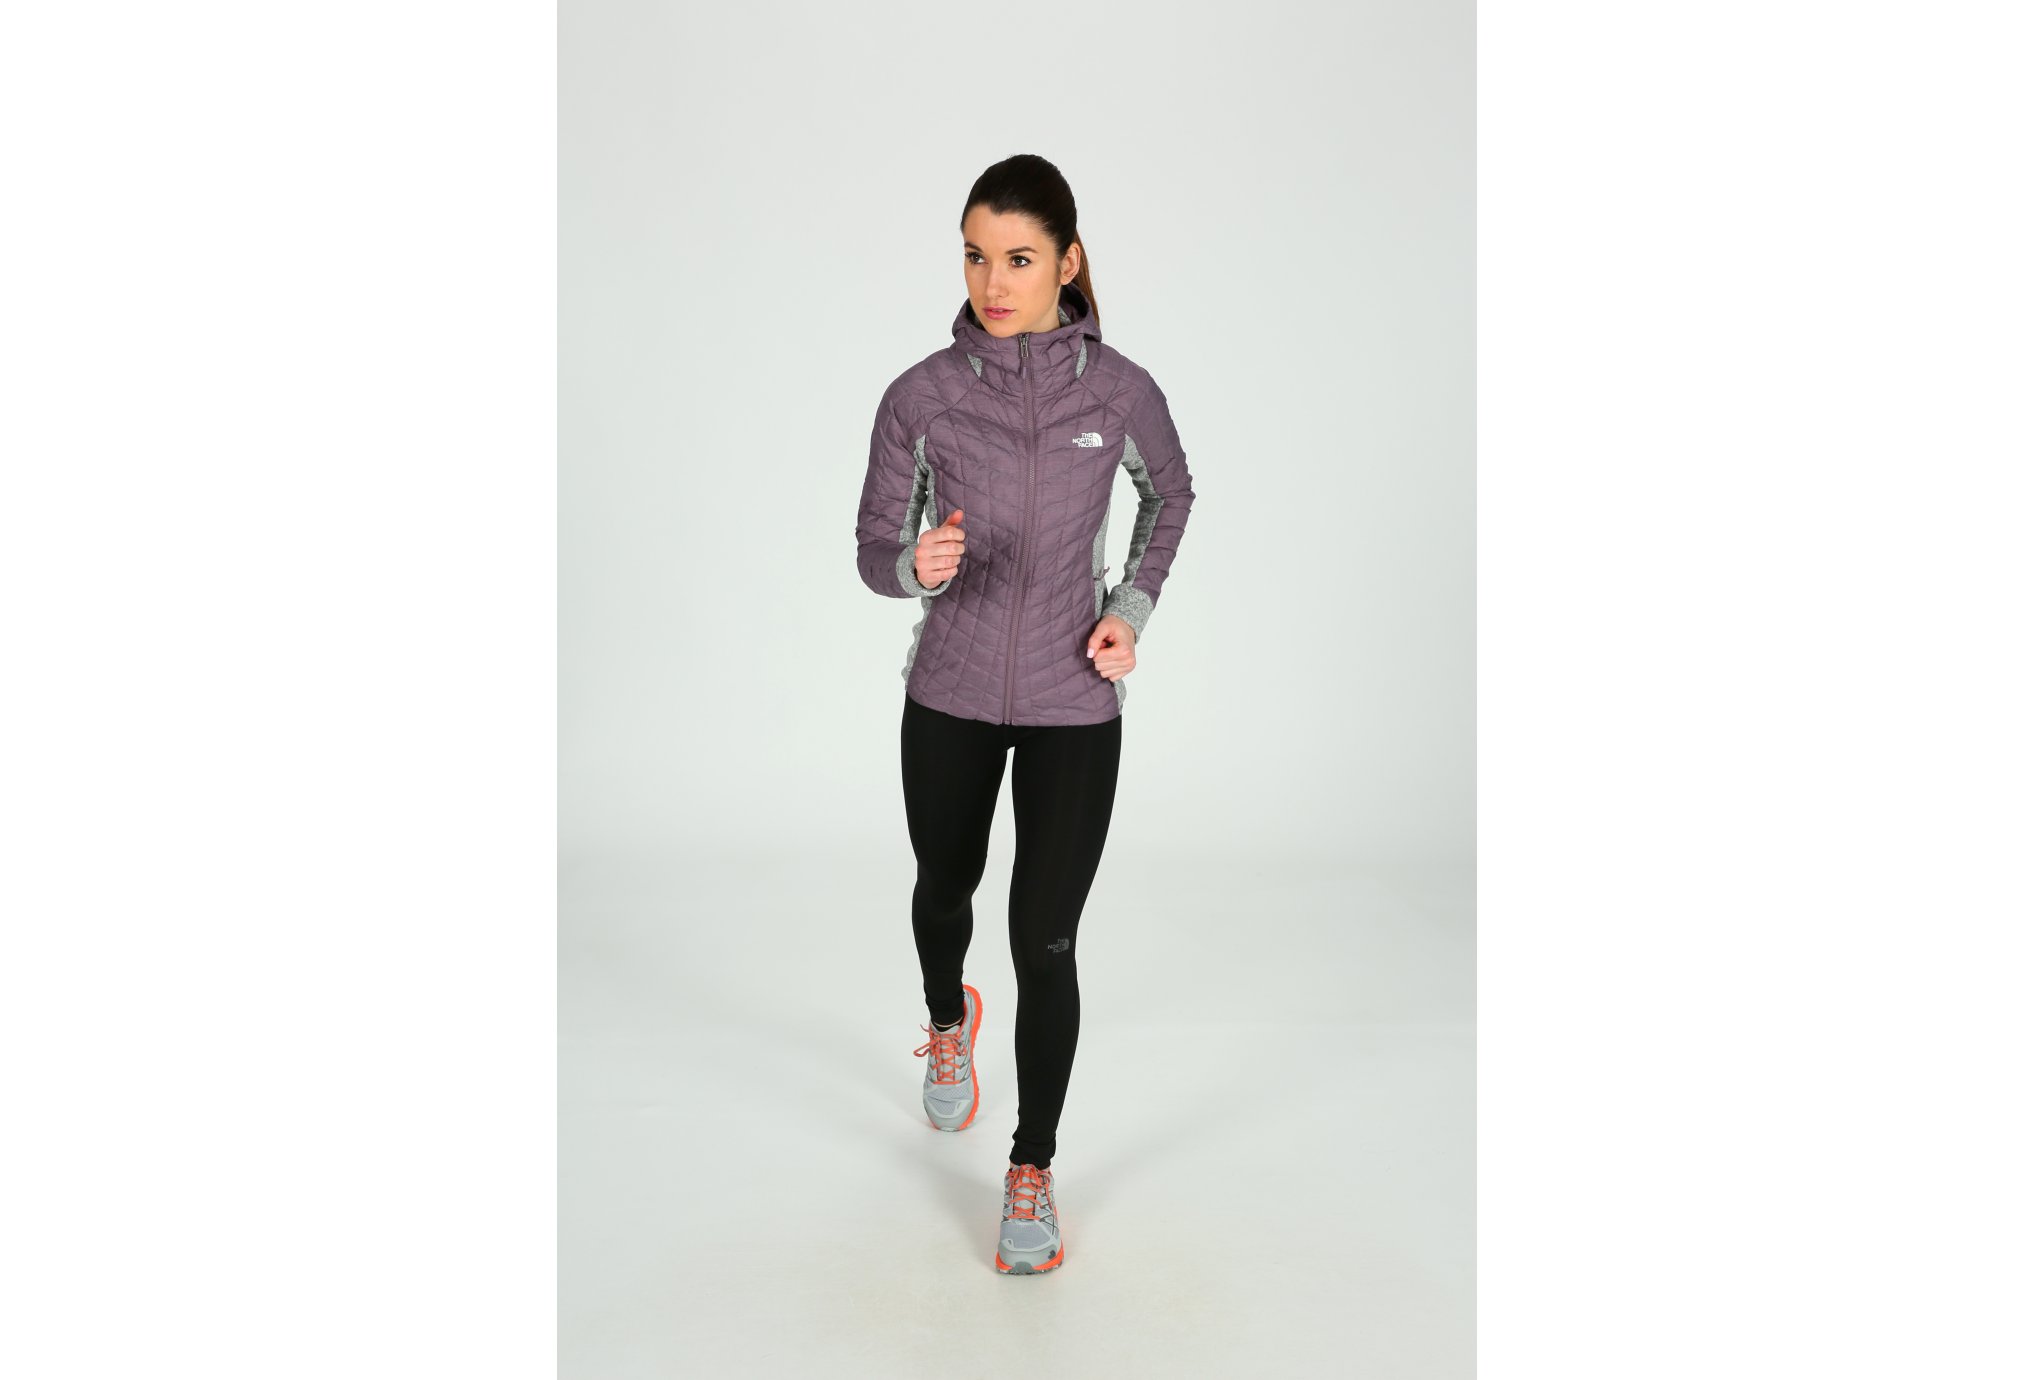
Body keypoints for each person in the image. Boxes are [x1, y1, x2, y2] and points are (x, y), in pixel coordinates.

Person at [853, 153, 1198, 1274]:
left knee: (1045, 942)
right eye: (974, 256)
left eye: (1017, 258)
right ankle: (947, 1021)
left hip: (1071, 704)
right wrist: (912, 564)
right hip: (949, 695)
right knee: (943, 890)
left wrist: (1128, 610)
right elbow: (872, 547)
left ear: (1068, 262)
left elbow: (1171, 494)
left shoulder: (1120, 393)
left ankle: (1031, 1167)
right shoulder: (921, 397)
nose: (992, 282)